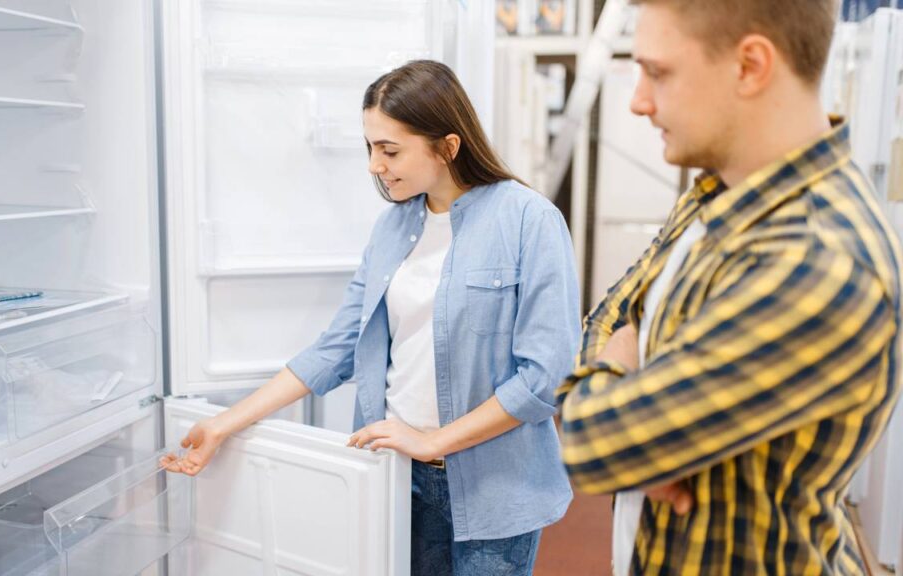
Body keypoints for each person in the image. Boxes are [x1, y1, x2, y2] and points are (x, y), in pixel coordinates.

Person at [163, 59, 582, 576]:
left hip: (497, 485)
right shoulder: (393, 228)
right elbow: (336, 348)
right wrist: (224, 424)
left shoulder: (530, 220)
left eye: (390, 150)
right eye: (370, 147)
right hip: (395, 476)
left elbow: (544, 378)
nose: (374, 165)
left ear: (448, 146)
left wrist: (432, 441)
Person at [555, 0, 903, 574]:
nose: (639, 100)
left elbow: (597, 444)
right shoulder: (719, 188)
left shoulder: (817, 257)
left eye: (658, 72)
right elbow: (611, 313)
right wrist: (633, 387)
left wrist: (621, 387)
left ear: (750, 66)